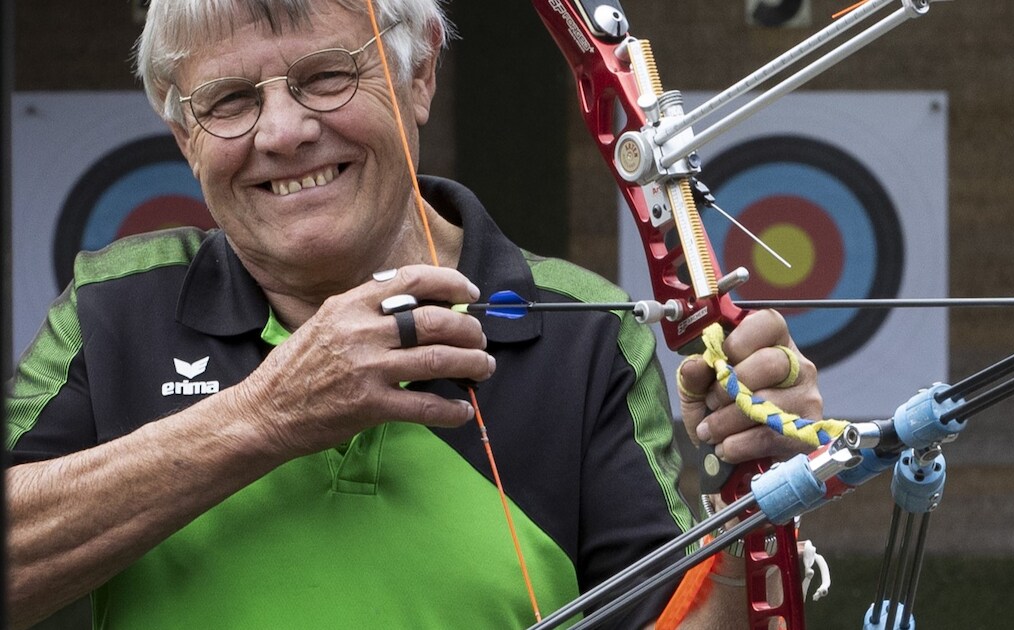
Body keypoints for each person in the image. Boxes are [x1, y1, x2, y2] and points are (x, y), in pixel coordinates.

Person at [5, 0, 823, 627]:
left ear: (419, 74)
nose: (285, 132)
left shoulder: (581, 328)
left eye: (326, 76)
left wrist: (758, 511)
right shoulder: (115, 305)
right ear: (182, 128)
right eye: (229, 100)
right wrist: (271, 414)